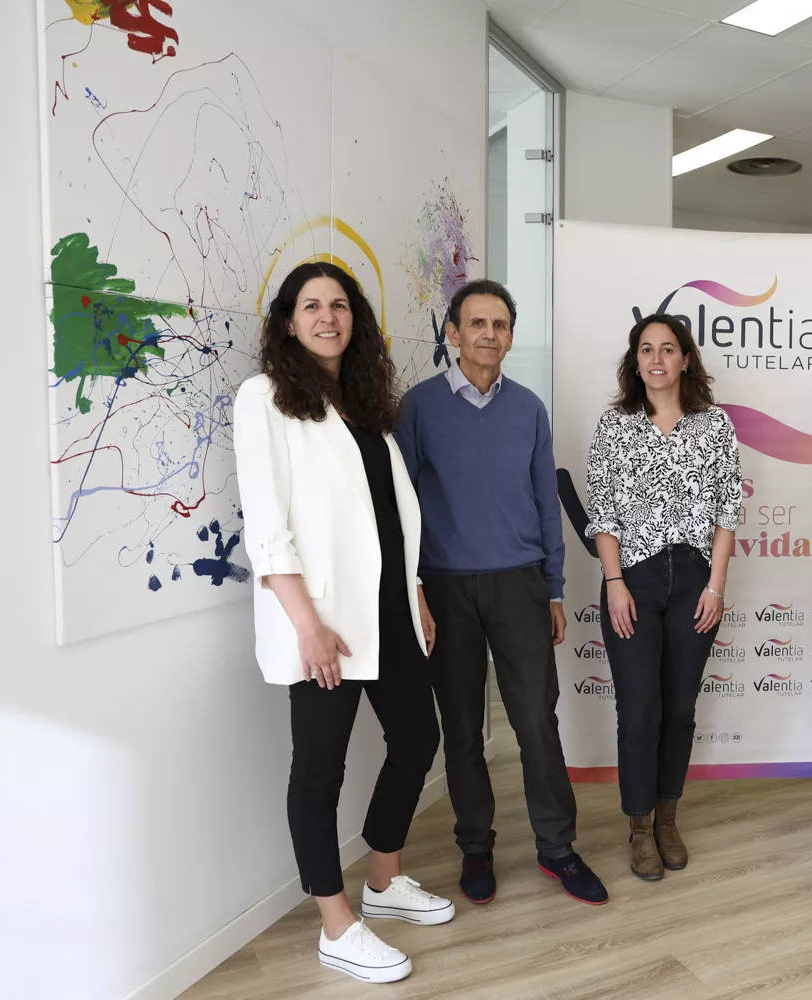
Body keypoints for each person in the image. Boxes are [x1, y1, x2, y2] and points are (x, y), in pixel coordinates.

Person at [235, 262, 452, 985]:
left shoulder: (361, 406)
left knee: (419, 739)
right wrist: (306, 626)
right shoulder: (264, 399)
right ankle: (336, 924)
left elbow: (389, 519)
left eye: (339, 305)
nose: (328, 316)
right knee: (319, 772)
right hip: (325, 620)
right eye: (311, 305)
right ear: (288, 322)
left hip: (389, 609)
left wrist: (415, 591)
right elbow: (268, 527)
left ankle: (383, 881)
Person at [396, 279, 607, 907]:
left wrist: (554, 589)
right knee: (461, 727)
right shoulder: (419, 408)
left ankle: (558, 850)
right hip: (446, 585)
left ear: (511, 336)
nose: (490, 334)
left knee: (537, 722)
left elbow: (547, 504)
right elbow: (400, 507)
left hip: (520, 584)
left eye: (501, 324)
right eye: (477, 323)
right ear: (453, 334)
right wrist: (413, 591)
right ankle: (475, 846)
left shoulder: (529, 410)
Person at [584, 313, 743, 882]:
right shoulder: (615, 426)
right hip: (633, 581)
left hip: (695, 581)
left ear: (685, 360)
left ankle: (668, 818)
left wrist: (716, 587)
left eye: (668, 349)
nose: (656, 359)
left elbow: (728, 513)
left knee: (679, 710)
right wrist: (614, 582)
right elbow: (601, 511)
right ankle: (639, 826)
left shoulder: (714, 426)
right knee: (641, 711)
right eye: (646, 349)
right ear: (636, 361)